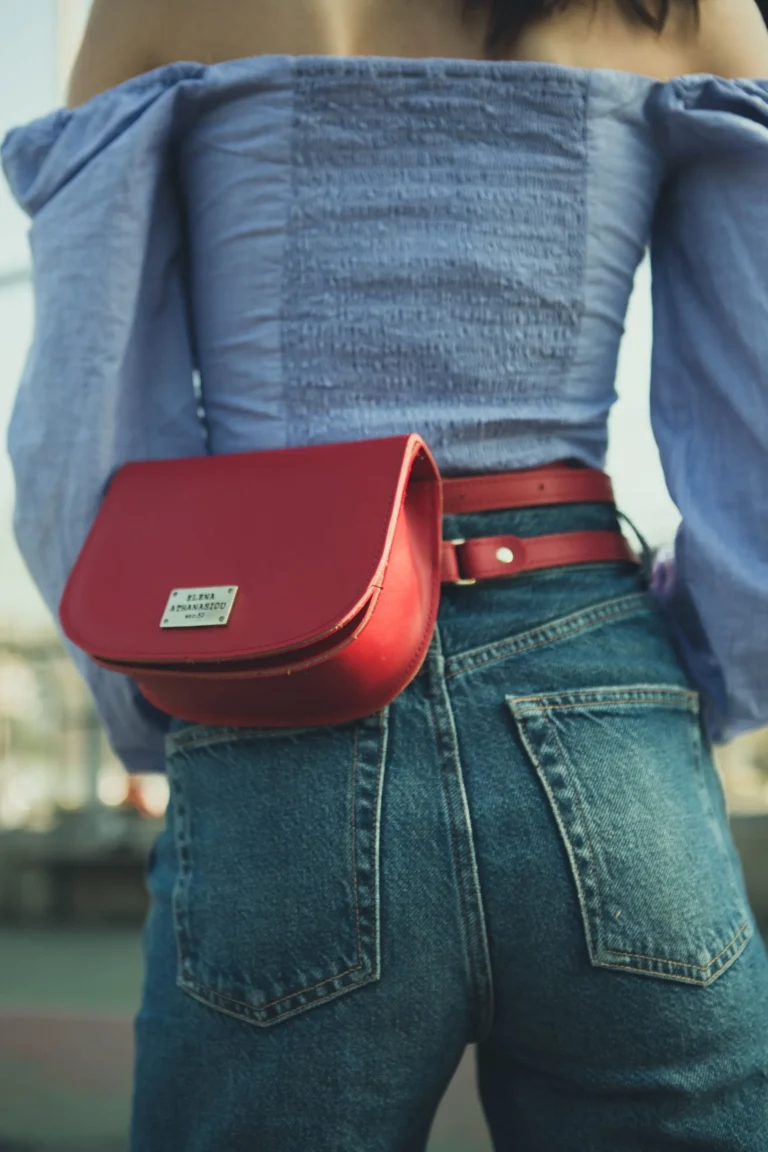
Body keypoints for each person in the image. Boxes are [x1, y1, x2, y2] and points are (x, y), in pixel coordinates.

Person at [2, 0, 768, 1147]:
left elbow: (85, 434)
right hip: (606, 716)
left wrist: (161, 711)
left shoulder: (151, 11)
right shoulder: (687, 15)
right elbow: (758, 438)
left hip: (276, 713)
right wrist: (684, 683)